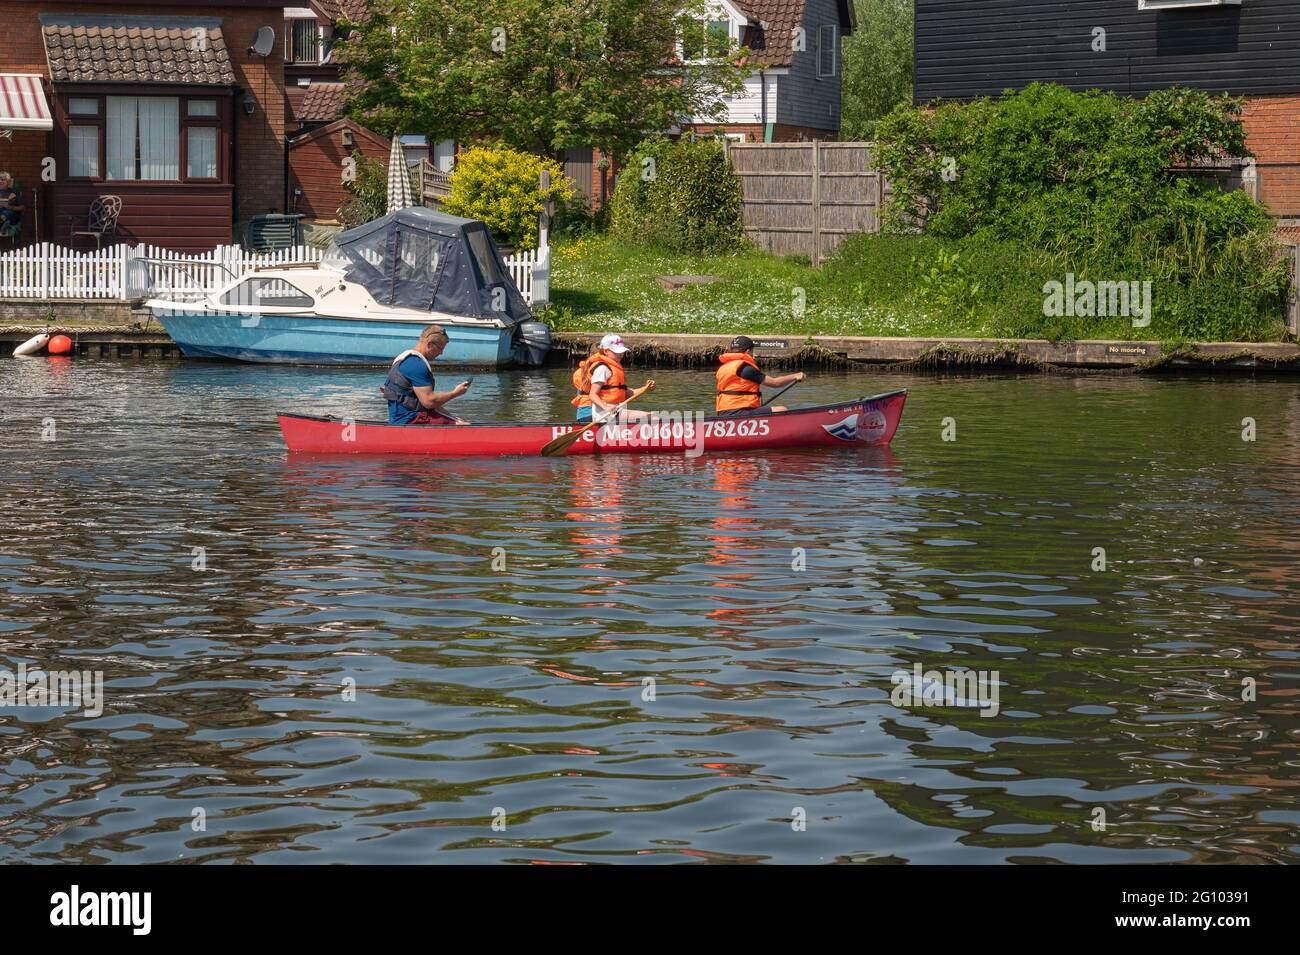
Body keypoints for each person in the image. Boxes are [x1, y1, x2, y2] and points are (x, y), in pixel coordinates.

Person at [380, 324, 472, 425]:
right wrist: (454, 393)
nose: (441, 353)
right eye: (440, 348)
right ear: (430, 344)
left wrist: (453, 418)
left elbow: (430, 404)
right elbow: (429, 402)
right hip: (411, 421)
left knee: (459, 421)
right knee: (464, 426)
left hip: (406, 418)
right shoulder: (416, 365)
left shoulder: (404, 358)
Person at [715, 335, 805, 415]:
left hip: (723, 411)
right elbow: (776, 383)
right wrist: (795, 376)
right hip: (739, 411)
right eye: (752, 351)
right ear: (748, 351)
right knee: (782, 410)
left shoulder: (724, 367)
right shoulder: (745, 368)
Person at [585, 333, 655, 422]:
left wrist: (646, 388)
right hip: (605, 415)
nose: (621, 354)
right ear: (606, 351)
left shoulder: (615, 368)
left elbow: (629, 393)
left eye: (622, 352)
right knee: (652, 417)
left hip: (617, 412)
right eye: (617, 352)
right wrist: (605, 407)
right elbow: (592, 395)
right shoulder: (602, 368)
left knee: (652, 416)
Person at [570, 342, 602, 423]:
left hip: (583, 415)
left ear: (589, 354)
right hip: (600, 414)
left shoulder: (579, 372)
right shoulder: (602, 370)